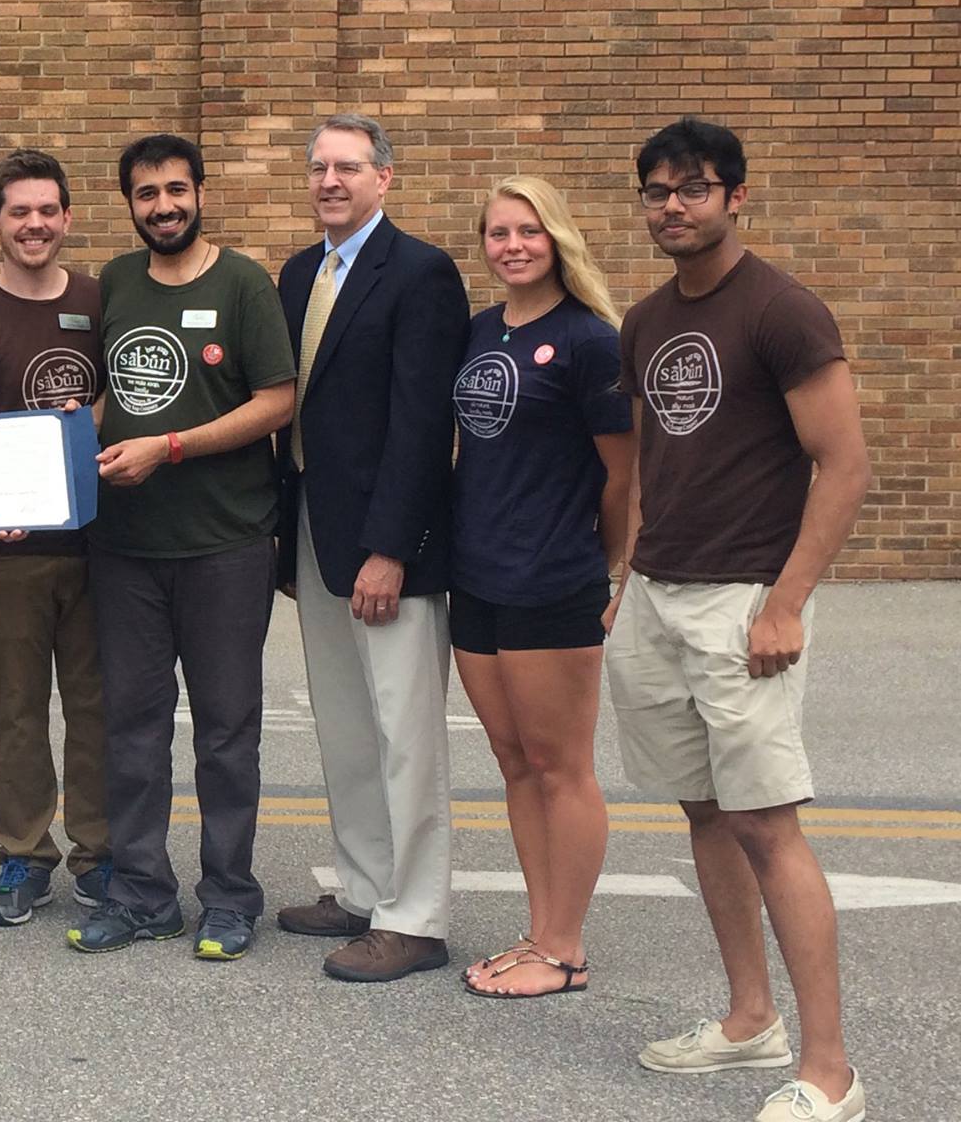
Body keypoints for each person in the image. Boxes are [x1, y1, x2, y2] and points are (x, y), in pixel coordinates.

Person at [611, 118, 870, 1122]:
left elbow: (843, 466)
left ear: (734, 197)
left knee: (765, 824)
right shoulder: (641, 322)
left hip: (741, 604)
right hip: (656, 596)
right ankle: (744, 1018)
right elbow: (650, 463)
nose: (670, 205)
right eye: (655, 190)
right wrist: (623, 570)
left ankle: (828, 1072)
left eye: (691, 188)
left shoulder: (781, 312)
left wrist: (785, 604)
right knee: (702, 812)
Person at [69, 134, 294, 961]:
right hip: (124, 548)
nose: (162, 205)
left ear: (200, 191)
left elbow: (276, 401)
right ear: (127, 203)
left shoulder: (242, 285)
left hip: (225, 544)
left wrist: (168, 448)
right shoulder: (118, 283)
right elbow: (105, 399)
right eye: (145, 193)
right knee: (131, 727)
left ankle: (229, 897)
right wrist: (31, 449)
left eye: (174, 189)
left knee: (226, 733)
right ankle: (140, 895)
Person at [274, 112, 468, 983]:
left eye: (347, 168)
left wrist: (391, 548)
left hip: (390, 543)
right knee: (346, 725)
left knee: (405, 731)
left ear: (384, 179)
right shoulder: (298, 273)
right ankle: (360, 887)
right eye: (318, 168)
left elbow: (424, 425)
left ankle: (416, 915)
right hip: (318, 528)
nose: (329, 181)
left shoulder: (422, 273)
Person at [450, 178, 634, 999]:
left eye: (529, 231)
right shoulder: (480, 330)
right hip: (477, 574)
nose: (513, 245)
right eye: (498, 233)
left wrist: (612, 570)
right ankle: (538, 930)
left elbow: (623, 477)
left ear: (557, 239)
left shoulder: (592, 341)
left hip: (552, 578)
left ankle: (564, 950)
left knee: (562, 767)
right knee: (515, 763)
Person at [0, 148, 112, 928]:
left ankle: (100, 854)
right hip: (9, 547)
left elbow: (120, 400)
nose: (35, 224)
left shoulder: (103, 301)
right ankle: (22, 855)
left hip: (100, 543)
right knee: (18, 705)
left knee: (97, 704)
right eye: (19, 212)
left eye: (48, 210)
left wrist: (88, 430)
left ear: (67, 218)